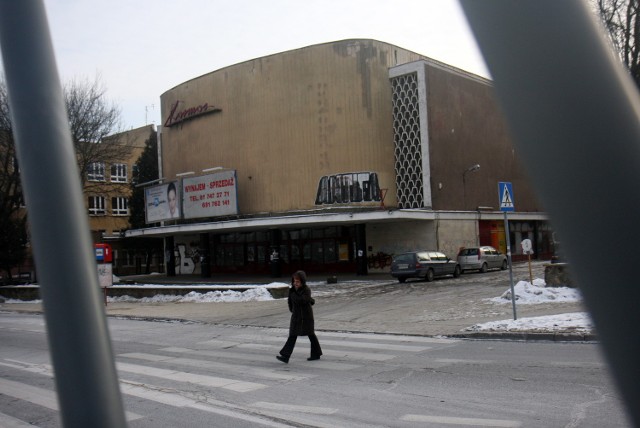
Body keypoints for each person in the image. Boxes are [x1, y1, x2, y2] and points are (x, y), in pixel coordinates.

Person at [276, 270, 322, 363]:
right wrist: (292, 309)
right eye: (294, 281)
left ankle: (316, 353)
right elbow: (290, 302)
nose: (295, 283)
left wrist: (294, 295)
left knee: (311, 334)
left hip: (306, 317)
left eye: (297, 281)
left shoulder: (306, 290)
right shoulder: (292, 290)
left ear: (302, 281)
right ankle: (285, 356)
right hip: (296, 317)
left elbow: (303, 300)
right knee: (292, 334)